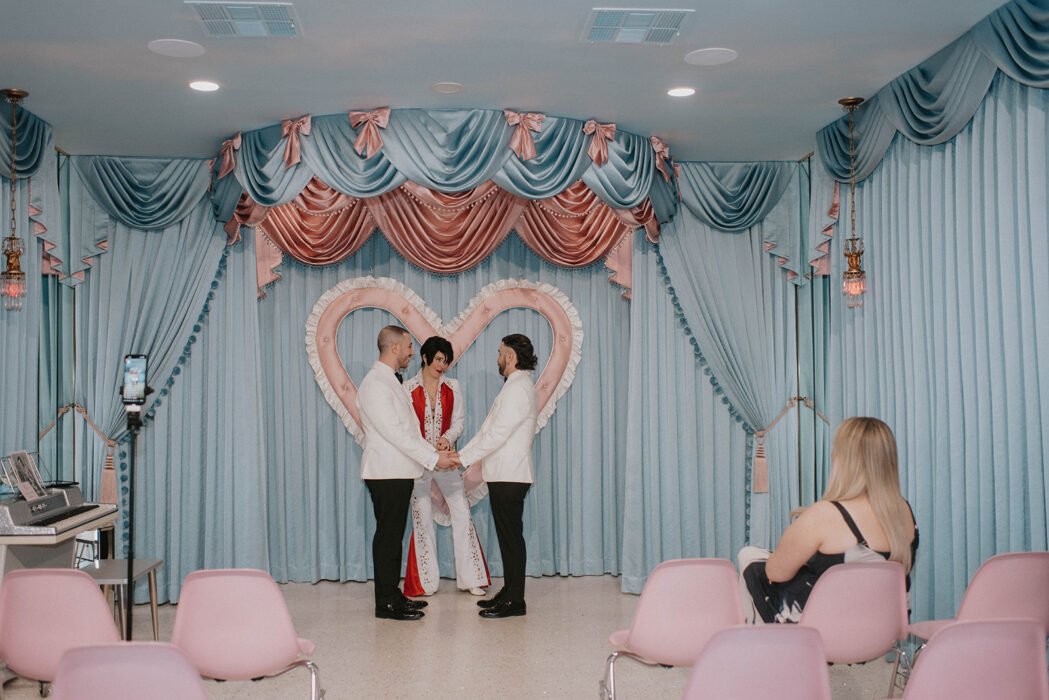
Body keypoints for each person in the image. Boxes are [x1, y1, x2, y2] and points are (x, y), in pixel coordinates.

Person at [739, 416, 918, 624]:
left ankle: (758, 641)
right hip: (884, 625)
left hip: (826, 628)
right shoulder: (903, 509)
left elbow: (776, 572)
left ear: (843, 460)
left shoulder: (824, 514)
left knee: (749, 556)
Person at [356, 325, 459, 621]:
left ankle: (392, 594)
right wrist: (434, 459)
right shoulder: (376, 383)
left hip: (398, 471)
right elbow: (396, 434)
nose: (413, 353)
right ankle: (386, 603)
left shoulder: (389, 381)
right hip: (386, 472)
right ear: (395, 348)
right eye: (409, 346)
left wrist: (436, 455)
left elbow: (410, 431)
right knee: (388, 538)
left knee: (392, 537)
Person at [457, 334, 538, 619]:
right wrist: (462, 455)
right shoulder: (516, 386)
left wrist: (462, 458)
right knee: (508, 538)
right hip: (505, 474)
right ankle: (510, 592)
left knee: (511, 539)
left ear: (511, 357)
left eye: (500, 352)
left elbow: (496, 434)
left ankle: (515, 600)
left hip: (510, 475)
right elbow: (488, 432)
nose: (497, 357)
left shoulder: (518, 388)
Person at [403, 336, 491, 597]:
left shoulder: (453, 386)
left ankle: (472, 578)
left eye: (446, 361)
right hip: (419, 463)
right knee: (422, 518)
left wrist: (446, 438)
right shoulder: (406, 389)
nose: (442, 366)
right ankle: (426, 582)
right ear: (425, 357)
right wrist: (427, 451)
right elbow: (406, 429)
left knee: (462, 512)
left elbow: (459, 422)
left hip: (447, 461)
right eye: (439, 359)